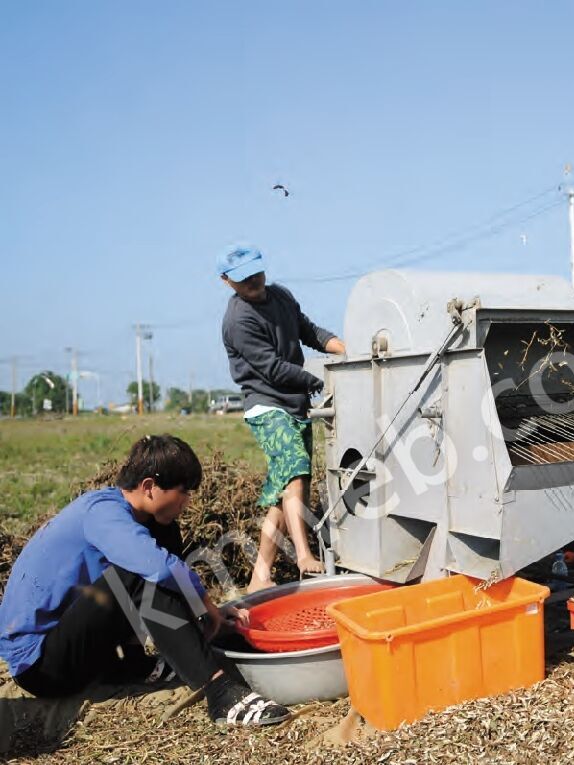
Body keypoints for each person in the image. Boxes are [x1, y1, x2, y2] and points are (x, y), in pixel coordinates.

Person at [0, 435, 290, 726]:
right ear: (150, 487)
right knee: (142, 571)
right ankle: (219, 692)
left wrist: (201, 607)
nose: (188, 502)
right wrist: (204, 604)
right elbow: (159, 569)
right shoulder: (102, 513)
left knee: (162, 538)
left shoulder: (129, 513)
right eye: (184, 492)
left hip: (80, 647)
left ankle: (134, 664)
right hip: (42, 666)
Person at [218, 244, 346, 591]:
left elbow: (309, 331)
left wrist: (348, 352)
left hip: (296, 402)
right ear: (228, 281)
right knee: (295, 469)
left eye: (257, 273)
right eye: (245, 279)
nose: (255, 281)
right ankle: (304, 556)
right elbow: (272, 369)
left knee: (283, 491)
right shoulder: (239, 320)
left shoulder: (281, 297)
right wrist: (321, 381)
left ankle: (260, 575)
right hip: (266, 403)